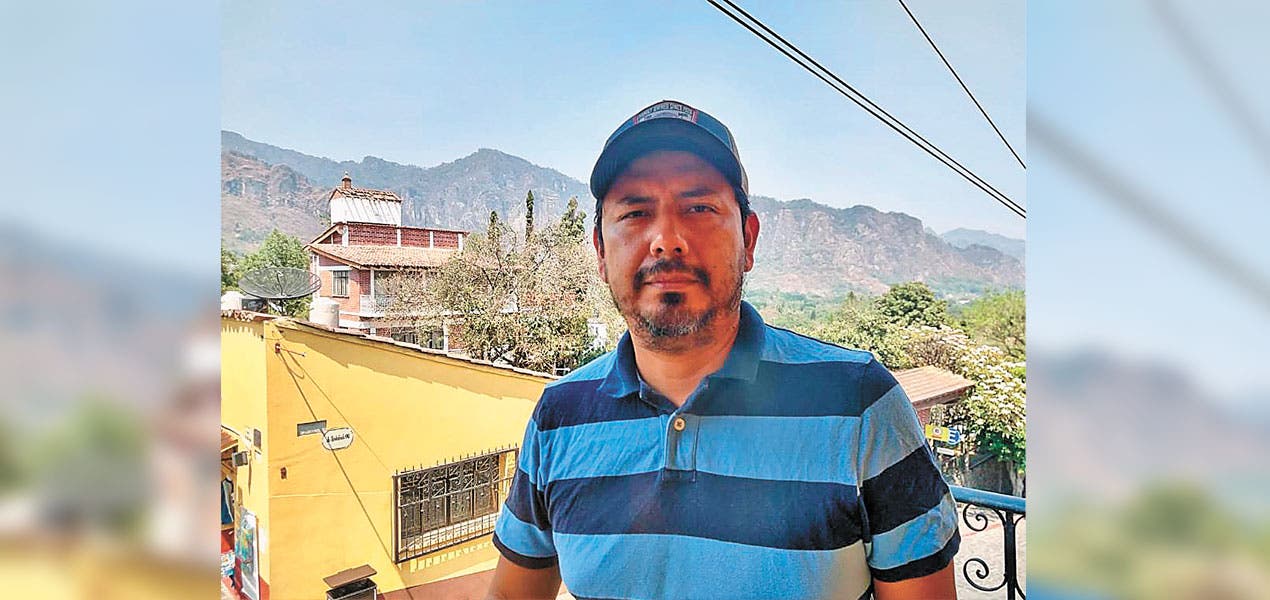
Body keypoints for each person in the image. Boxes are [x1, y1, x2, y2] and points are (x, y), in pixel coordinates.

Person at [487, 100, 960, 600]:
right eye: (635, 213)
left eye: (699, 208)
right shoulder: (559, 417)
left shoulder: (861, 404)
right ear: (601, 253)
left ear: (748, 241)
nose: (666, 240)